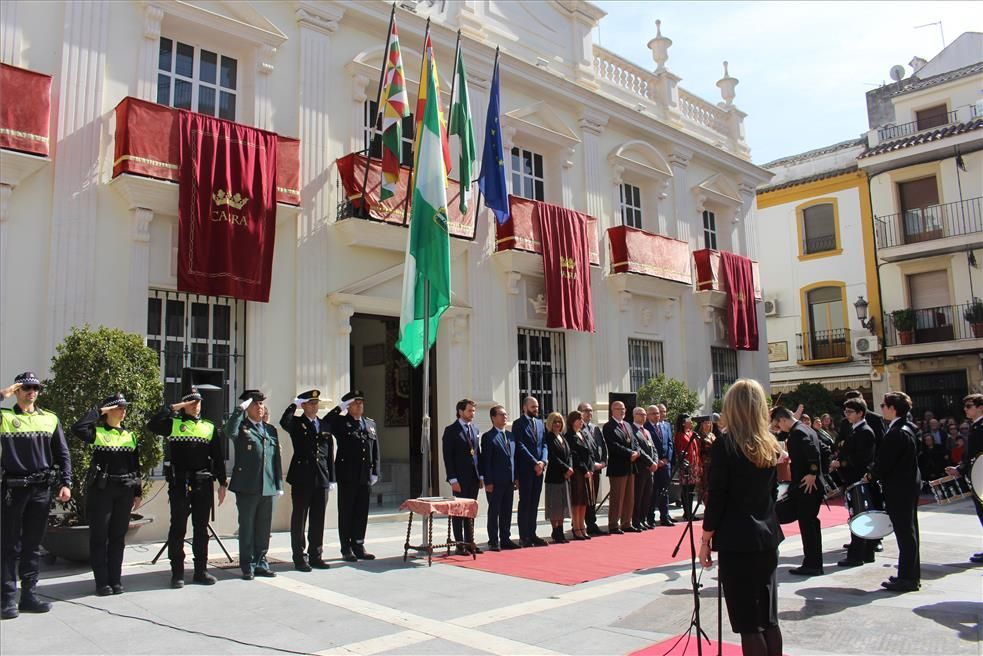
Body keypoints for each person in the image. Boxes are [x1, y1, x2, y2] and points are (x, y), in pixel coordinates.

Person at [699, 379, 784, 656]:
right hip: (767, 536)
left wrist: (706, 537)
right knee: (768, 617)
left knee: (749, 622)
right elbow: (772, 492)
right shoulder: (771, 443)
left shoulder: (727, 445)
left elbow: (718, 495)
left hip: (737, 539)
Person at [0, 373, 71, 620]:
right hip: (14, 489)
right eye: (26, 388)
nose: (32, 392)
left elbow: (62, 454)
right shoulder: (5, 417)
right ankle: (7, 598)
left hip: (41, 489)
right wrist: (4, 393)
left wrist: (66, 482)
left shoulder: (50, 418)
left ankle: (29, 596)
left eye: (35, 388)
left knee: (32, 545)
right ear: (18, 390)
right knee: (9, 545)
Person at [148, 387, 227, 588]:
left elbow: (218, 457)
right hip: (180, 483)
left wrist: (222, 483)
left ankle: (201, 571)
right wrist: (176, 407)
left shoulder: (209, 427)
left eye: (198, 402)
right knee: (178, 529)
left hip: (203, 483)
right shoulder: (174, 424)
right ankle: (177, 573)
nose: (195, 406)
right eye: (191, 403)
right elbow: (152, 424)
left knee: (201, 529)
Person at [72, 393, 143, 596]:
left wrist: (137, 492)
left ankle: (115, 579)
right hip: (102, 490)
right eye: (119, 408)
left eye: (124, 408)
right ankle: (102, 582)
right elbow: (77, 428)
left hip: (124, 490)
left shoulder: (130, 435)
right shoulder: (97, 431)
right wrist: (99, 411)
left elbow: (135, 466)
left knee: (117, 537)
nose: (123, 411)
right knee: (99, 536)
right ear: (109, 410)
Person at [226, 390, 282, 580]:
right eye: (255, 404)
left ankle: (261, 562)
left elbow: (276, 459)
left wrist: (278, 483)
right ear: (247, 407)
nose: (260, 407)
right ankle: (247, 564)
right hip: (247, 486)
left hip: (268, 485)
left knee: (264, 527)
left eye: (261, 404)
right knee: (247, 527)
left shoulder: (270, 429)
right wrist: (238, 411)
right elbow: (228, 431)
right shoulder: (241, 427)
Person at [279, 389, 335, 572]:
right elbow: (283, 422)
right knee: (299, 519)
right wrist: (293, 404)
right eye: (310, 403)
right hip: (302, 478)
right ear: (303, 406)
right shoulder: (296, 423)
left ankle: (316, 555)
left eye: (316, 403)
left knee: (318, 519)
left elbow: (329, 453)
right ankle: (299, 557)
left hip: (321, 477)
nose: (314, 406)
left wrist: (331, 478)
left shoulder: (324, 425)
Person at [872, 391, 921, 592]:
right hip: (908, 485)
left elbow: (885, 462)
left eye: (883, 405)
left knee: (905, 533)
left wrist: (871, 474)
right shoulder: (907, 427)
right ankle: (908, 575)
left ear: (893, 409)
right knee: (909, 532)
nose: (881, 409)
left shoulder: (897, 432)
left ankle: (908, 579)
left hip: (900, 488)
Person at [325, 390, 380, 562]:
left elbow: (376, 448)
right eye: (355, 403)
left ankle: (358, 545)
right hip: (347, 475)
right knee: (347, 511)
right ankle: (346, 548)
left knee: (361, 512)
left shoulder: (369, 423)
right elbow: (325, 422)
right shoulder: (341, 422)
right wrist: (338, 408)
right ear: (348, 406)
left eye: (361, 403)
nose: (359, 406)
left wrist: (375, 471)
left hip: (364, 475)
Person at [770, 405, 823, 576]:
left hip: (806, 486)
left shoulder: (799, 433)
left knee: (807, 525)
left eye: (779, 424)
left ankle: (813, 564)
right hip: (807, 486)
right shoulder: (805, 428)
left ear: (783, 420)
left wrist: (812, 473)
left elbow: (814, 452)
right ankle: (813, 561)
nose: (779, 428)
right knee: (810, 524)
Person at [831, 399, 877, 568]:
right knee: (858, 515)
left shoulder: (864, 431)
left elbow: (862, 458)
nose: (847, 414)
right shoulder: (855, 430)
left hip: (858, 479)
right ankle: (865, 552)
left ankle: (858, 554)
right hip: (853, 479)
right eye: (846, 411)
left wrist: (841, 463)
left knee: (859, 516)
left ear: (860, 413)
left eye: (850, 411)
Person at [945, 393, 983, 563]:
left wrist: (962, 468)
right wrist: (961, 468)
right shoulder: (975, 426)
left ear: (980, 407)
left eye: (969, 406)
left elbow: (976, 455)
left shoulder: (980, 427)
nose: (965, 409)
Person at [441, 398, 482, 555]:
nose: (472, 413)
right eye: (469, 410)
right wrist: (452, 479)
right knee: (459, 511)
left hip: (473, 477)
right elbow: (448, 457)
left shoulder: (475, 429)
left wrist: (481, 476)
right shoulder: (451, 430)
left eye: (473, 411)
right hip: (459, 478)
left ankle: (470, 541)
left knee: (470, 511)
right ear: (460, 411)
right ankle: (459, 543)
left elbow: (478, 454)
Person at [479, 405, 519, 551]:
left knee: (507, 511)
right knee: (494, 511)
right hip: (495, 482)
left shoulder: (510, 436)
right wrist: (488, 481)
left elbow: (514, 458)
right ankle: (493, 540)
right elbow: (486, 461)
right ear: (493, 417)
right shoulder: (488, 437)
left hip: (509, 480)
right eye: (501, 415)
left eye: (505, 414)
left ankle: (505, 538)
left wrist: (516, 477)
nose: (505, 417)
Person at [512, 396, 548, 547]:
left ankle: (533, 534)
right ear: (524, 408)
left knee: (534, 502)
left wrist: (543, 461)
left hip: (539, 470)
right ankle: (524, 536)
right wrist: (534, 463)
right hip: (526, 469)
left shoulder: (540, 423)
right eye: (533, 407)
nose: (536, 409)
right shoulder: (518, 424)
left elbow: (544, 444)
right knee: (525, 502)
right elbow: (520, 446)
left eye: (537, 407)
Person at [604, 401, 640, 534]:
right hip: (618, 467)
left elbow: (635, 442)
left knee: (629, 497)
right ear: (613, 410)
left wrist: (636, 452)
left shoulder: (628, 425)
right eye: (620, 409)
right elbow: (613, 445)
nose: (623, 411)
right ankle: (613, 524)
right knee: (617, 497)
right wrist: (629, 453)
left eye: (624, 409)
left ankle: (626, 523)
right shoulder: (609, 426)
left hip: (630, 466)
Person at [543, 412, 572, 543]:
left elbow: (569, 454)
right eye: (555, 422)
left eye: (559, 422)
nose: (557, 424)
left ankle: (560, 529)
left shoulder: (562, 437)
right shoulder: (548, 438)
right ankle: (556, 531)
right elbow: (553, 457)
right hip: (554, 476)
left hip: (565, 477)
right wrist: (566, 468)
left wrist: (569, 468)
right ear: (550, 423)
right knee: (555, 506)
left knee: (562, 505)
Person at [578, 402, 606, 536]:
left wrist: (603, 461)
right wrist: (590, 465)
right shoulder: (577, 429)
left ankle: (591, 523)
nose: (589, 413)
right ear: (579, 413)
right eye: (586, 410)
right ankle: (579, 524)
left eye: (591, 411)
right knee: (585, 498)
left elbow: (602, 446)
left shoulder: (595, 428)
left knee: (593, 499)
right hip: (585, 470)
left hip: (597, 468)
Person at [566, 410, 594, 540]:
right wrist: (584, 470)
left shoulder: (583, 434)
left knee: (584, 502)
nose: (581, 422)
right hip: (578, 472)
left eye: (582, 419)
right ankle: (576, 527)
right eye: (579, 419)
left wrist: (591, 468)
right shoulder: (569, 436)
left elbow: (590, 452)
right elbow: (575, 456)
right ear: (572, 421)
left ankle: (582, 526)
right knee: (577, 501)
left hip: (587, 471)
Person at [645, 405, 675, 526]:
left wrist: (667, 459)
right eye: (654, 413)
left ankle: (664, 516)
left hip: (665, 464)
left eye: (658, 413)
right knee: (653, 492)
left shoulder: (666, 425)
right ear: (648, 415)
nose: (657, 415)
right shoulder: (645, 428)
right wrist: (655, 461)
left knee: (665, 491)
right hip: (653, 465)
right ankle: (650, 518)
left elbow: (670, 444)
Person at [631, 407, 658, 531]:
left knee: (647, 496)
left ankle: (643, 519)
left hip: (650, 469)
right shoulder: (632, 430)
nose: (643, 417)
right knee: (639, 496)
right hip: (640, 468)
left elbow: (654, 449)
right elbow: (638, 449)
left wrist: (655, 462)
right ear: (634, 415)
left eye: (644, 414)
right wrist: (650, 462)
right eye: (641, 414)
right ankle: (636, 521)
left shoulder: (646, 431)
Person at [674, 414, 700, 520]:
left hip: (694, 465)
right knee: (686, 490)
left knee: (691, 491)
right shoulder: (679, 435)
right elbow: (679, 450)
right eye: (689, 420)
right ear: (683, 422)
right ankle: (687, 512)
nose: (691, 422)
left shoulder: (691, 433)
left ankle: (690, 512)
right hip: (686, 466)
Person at [694, 416, 716, 507]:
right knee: (704, 485)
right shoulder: (699, 436)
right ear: (702, 424)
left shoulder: (712, 435)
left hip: (713, 463)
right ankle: (706, 505)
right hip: (703, 463)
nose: (708, 424)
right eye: (706, 423)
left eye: (709, 423)